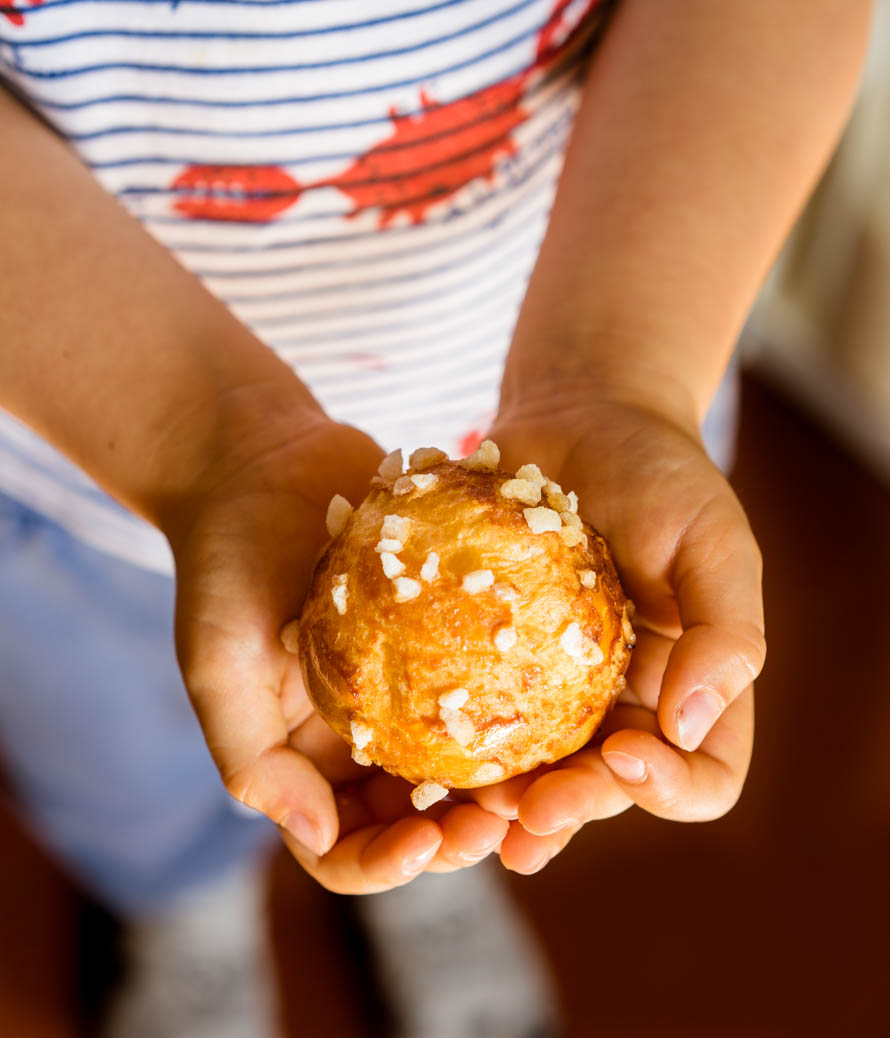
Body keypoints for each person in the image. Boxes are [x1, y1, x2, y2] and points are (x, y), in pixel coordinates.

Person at [0, 1, 872, 1035]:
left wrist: (619, 373)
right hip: (63, 461)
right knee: (116, 763)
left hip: (595, 352)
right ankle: (178, 904)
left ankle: (437, 855)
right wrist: (204, 440)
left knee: (405, 798)